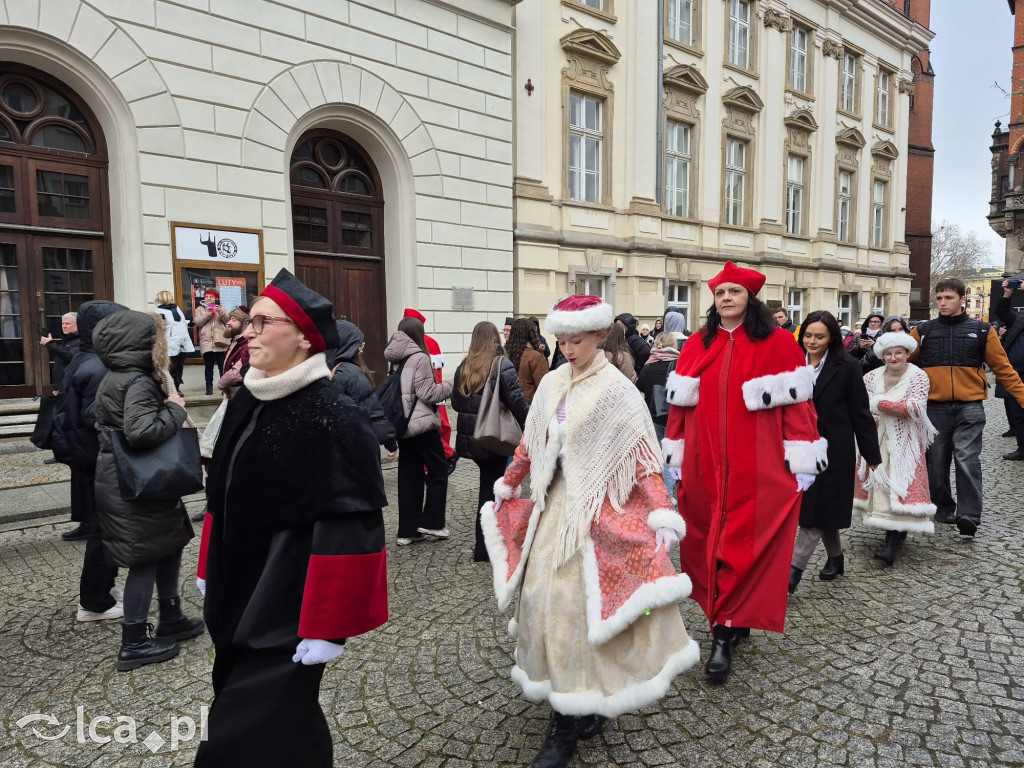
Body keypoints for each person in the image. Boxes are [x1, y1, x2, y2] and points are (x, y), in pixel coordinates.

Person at [482, 294, 698, 768]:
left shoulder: (618, 390)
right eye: (561, 339)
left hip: (600, 512)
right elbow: (530, 443)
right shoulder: (554, 379)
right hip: (552, 510)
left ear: (600, 336)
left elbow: (644, 460)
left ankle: (572, 715)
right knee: (543, 602)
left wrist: (662, 512)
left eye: (576, 340)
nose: (567, 347)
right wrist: (509, 483)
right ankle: (567, 700)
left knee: (583, 609)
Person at [194, 269, 388, 768]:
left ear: (304, 338)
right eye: (249, 323)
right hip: (234, 586)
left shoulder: (334, 415)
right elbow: (223, 491)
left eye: (262, 322)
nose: (247, 332)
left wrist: (330, 625)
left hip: (287, 603)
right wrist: (207, 562)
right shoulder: (246, 401)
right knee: (280, 721)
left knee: (243, 731)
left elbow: (354, 521)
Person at [662, 261, 825, 684]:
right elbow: (678, 408)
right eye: (720, 293)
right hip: (703, 464)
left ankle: (726, 631)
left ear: (748, 298)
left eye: (733, 292)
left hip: (759, 465)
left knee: (745, 543)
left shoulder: (778, 344)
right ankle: (726, 618)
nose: (726, 299)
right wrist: (675, 456)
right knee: (705, 540)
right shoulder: (697, 344)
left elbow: (799, 408)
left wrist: (801, 458)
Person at [92, 309, 205, 670]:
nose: (163, 342)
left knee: (167, 546)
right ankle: (134, 641)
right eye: (158, 336)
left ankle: (171, 616)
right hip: (137, 482)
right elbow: (141, 432)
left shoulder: (120, 376)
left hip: (137, 481)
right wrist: (174, 409)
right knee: (145, 558)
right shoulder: (138, 381)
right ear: (142, 343)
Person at [910, 278, 1024, 537]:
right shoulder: (923, 331)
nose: (942, 303)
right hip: (934, 407)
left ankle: (969, 515)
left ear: (962, 299)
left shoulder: (983, 331)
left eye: (948, 298)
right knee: (936, 460)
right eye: (939, 298)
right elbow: (898, 361)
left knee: (967, 457)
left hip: (970, 405)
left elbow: (1005, 371)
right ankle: (943, 507)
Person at [788, 311, 881, 594]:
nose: (812, 341)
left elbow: (861, 414)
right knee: (820, 507)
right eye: (808, 335)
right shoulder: (791, 365)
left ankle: (791, 573)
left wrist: (873, 458)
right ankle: (836, 558)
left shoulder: (848, 366)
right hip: (798, 449)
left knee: (814, 512)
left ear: (832, 338)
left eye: (819, 336)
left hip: (834, 451)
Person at [51, 301, 127, 618]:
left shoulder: (88, 357)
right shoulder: (99, 366)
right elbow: (99, 419)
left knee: (105, 526)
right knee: (104, 529)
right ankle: (95, 602)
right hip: (96, 459)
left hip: (86, 456)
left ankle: (104, 590)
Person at [854, 332, 937, 565]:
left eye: (898, 353)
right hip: (876, 437)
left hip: (905, 441)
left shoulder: (918, 376)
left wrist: (879, 403)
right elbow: (861, 404)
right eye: (888, 354)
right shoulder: (871, 376)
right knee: (879, 484)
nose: (893, 357)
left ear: (907, 354)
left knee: (901, 484)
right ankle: (888, 528)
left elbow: (915, 408)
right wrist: (878, 407)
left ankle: (895, 537)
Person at [451, 321, 529, 562]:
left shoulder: (465, 366)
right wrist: (531, 426)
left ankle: (488, 546)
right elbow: (516, 400)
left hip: (472, 439)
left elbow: (456, 403)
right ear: (495, 338)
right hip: (494, 439)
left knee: (488, 488)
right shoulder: (500, 364)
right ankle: (485, 549)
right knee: (490, 492)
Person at [385, 316, 455, 545]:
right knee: (438, 470)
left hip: (403, 425)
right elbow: (428, 394)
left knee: (409, 477)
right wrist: (451, 386)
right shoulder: (419, 357)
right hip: (422, 426)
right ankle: (433, 523)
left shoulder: (395, 356)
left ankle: (407, 531)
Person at [325, 319, 399, 458]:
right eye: (359, 344)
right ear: (349, 346)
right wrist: (390, 443)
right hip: (355, 447)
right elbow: (373, 413)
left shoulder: (322, 369)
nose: (362, 349)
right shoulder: (352, 375)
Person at [403, 308, 456, 473]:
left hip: (417, 398)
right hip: (428, 395)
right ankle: (444, 455)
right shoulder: (426, 342)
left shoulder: (422, 343)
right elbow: (437, 377)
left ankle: (446, 455)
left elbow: (436, 375)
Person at [636, 331, 681, 497]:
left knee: (656, 454)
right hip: (675, 416)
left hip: (654, 416)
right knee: (672, 456)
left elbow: (640, 389)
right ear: (673, 345)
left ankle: (657, 492)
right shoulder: (680, 364)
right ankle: (668, 493)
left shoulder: (649, 366)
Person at [33, 312, 81, 462]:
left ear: (77, 325)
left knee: (66, 424)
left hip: (71, 390)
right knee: (59, 423)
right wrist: (56, 386)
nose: (64, 326)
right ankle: (59, 453)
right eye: (63, 324)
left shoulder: (81, 341)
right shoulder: (67, 340)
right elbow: (61, 364)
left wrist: (50, 345)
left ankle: (67, 453)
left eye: (68, 324)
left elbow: (70, 357)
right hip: (62, 388)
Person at [995, 280, 1024, 459]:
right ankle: (1022, 448)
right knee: (1018, 413)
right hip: (1017, 374)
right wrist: (1007, 294)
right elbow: (1002, 312)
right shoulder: (1018, 321)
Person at [154, 291, 193, 394]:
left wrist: (190, 323)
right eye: (170, 297)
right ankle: (171, 390)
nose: (173, 298)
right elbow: (158, 328)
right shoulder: (159, 311)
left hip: (182, 342)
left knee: (179, 368)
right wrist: (160, 322)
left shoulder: (176, 308)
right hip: (170, 343)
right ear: (164, 298)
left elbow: (180, 323)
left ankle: (177, 387)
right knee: (171, 368)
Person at [193, 288, 229, 395]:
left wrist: (221, 311)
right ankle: (209, 388)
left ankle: (224, 388)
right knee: (209, 367)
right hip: (207, 342)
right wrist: (207, 314)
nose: (208, 298)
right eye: (206, 296)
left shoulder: (221, 308)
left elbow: (228, 321)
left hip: (220, 341)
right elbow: (198, 322)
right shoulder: (200, 309)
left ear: (216, 298)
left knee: (222, 366)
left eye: (211, 297)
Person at [506, 317, 549, 403]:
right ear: (531, 334)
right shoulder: (536, 357)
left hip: (509, 405)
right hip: (530, 405)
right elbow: (544, 388)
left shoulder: (506, 354)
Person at [215, 305, 250, 398]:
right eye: (230, 319)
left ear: (245, 323)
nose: (228, 323)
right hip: (231, 394)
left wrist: (223, 383)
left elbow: (239, 372)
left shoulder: (247, 344)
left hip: (240, 395)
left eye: (234, 320)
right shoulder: (236, 341)